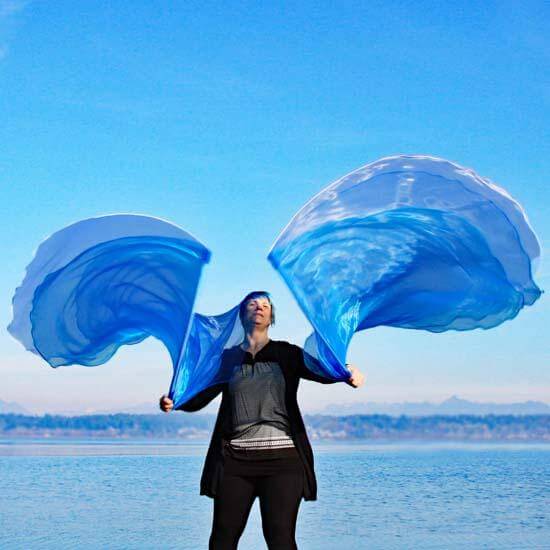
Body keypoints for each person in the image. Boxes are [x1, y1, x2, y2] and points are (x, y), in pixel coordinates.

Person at [160, 291, 365, 550]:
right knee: (222, 540)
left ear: (271, 317)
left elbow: (323, 370)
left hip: (284, 463)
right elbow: (200, 396)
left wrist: (348, 372)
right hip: (234, 463)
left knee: (280, 540)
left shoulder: (288, 354)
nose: (260, 307)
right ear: (242, 314)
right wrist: (173, 402)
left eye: (266, 305)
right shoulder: (226, 359)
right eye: (253, 304)